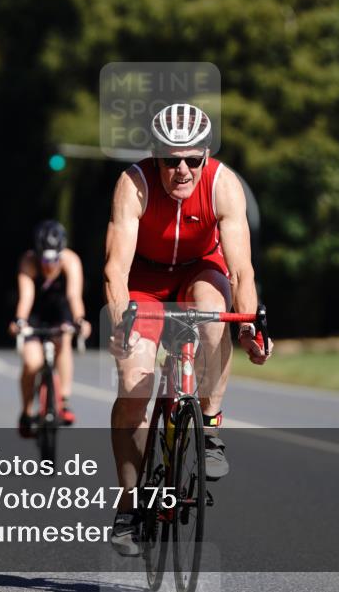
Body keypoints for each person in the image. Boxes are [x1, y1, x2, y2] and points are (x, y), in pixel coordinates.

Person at [104, 103, 272, 555]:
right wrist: (122, 321)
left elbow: (241, 271)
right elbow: (115, 270)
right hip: (146, 280)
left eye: (192, 159)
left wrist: (252, 326)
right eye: (171, 159)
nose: (182, 169)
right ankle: (129, 505)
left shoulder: (224, 185)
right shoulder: (133, 185)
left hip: (201, 271)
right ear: (155, 157)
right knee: (132, 385)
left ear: (206, 156)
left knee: (214, 312)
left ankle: (211, 424)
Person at [8, 220, 91, 437]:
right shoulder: (28, 262)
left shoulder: (71, 261)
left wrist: (80, 320)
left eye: (55, 258)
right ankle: (26, 412)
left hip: (59, 312)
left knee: (63, 341)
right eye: (45, 258)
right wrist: (19, 321)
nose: (49, 264)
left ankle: (62, 401)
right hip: (35, 314)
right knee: (32, 363)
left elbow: (74, 296)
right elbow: (26, 296)